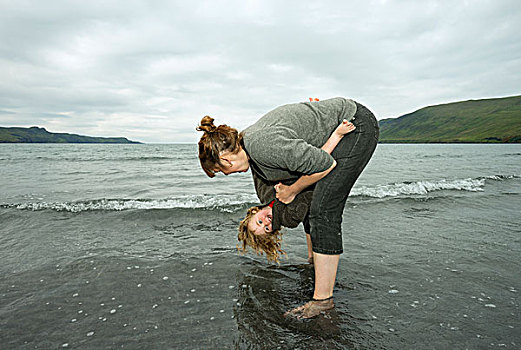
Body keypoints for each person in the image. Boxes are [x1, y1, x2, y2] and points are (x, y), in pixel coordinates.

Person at [197, 97, 379, 319]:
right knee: (312, 205)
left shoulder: (263, 147)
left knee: (323, 210)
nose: (226, 175)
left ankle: (322, 301)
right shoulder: (251, 150)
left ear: (225, 159)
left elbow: (325, 164)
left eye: (220, 171)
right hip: (337, 127)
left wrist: (292, 191)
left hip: (355, 125)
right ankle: (315, 261)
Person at [238, 119, 356, 265]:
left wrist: (245, 153)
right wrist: (288, 191)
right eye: (267, 228)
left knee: (296, 156)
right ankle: (337, 135)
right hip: (313, 180)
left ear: (254, 212)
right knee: (316, 162)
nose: (266, 222)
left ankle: (312, 258)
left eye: (259, 221)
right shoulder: (288, 218)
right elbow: (308, 197)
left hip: (296, 166)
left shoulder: (263, 194)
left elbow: (257, 171)